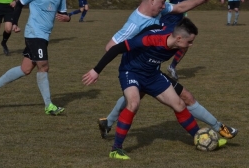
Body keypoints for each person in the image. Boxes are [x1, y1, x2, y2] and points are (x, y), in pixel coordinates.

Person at [97, 0, 237, 142]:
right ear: (152, 0)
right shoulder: (134, 24)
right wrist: (138, 49)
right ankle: (218, 128)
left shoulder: (158, 9)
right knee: (181, 97)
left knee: (136, 98)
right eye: (162, 2)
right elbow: (110, 47)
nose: (165, 6)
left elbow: (180, 7)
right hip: (138, 69)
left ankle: (107, 122)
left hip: (151, 70)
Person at [82, 18, 227, 160]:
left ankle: (200, 138)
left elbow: (157, 25)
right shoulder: (150, 40)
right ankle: (116, 149)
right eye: (189, 42)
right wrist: (96, 70)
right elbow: (117, 48)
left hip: (152, 75)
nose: (191, 45)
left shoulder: (173, 37)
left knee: (179, 104)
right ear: (178, 38)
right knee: (133, 103)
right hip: (131, 71)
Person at [0, 0, 71, 115]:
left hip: (44, 35)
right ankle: (49, 106)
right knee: (44, 66)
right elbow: (19, 3)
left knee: (25, 69)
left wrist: (67, 18)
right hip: (34, 33)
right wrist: (14, 23)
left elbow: (63, 12)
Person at [165, 0, 193, 81]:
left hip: (178, 22)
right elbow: (165, 5)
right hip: (166, 21)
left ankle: (172, 66)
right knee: (164, 46)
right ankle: (153, 68)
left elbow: (185, 5)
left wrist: (185, 16)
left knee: (185, 44)